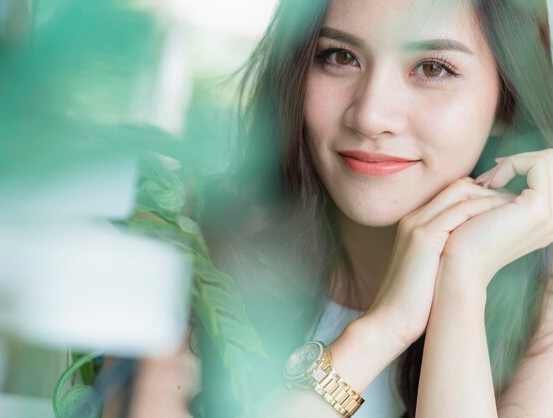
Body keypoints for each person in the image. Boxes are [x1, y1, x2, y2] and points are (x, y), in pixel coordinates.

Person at [126, 0, 553, 417]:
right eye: (340, 56)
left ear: (508, 101)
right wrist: (384, 328)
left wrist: (462, 276)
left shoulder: (542, 306)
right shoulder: (185, 248)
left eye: (432, 68)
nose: (369, 116)